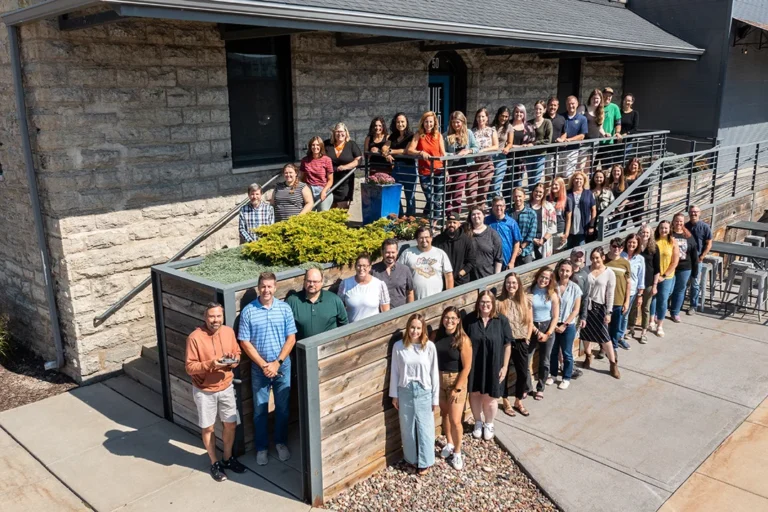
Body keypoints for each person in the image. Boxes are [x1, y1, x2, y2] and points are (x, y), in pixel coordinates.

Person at [238, 272, 297, 466]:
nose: (266, 290)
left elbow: (291, 338)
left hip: (282, 366)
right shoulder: (248, 311)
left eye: (270, 286)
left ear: (275, 287)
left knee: (282, 408)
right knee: (259, 410)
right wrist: (264, 364)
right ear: (258, 287)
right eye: (263, 286)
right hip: (259, 369)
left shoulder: (285, 309)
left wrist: (277, 363)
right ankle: (261, 448)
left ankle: (280, 442)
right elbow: (244, 342)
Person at [185, 302, 245, 481]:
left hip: (226, 386)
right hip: (204, 391)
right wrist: (211, 364)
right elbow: (189, 367)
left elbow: (237, 353)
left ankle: (227, 458)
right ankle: (214, 462)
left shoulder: (228, 332)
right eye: (212, 316)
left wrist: (234, 361)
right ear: (205, 318)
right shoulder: (194, 338)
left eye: (219, 316)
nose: (215, 320)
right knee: (208, 427)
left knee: (231, 424)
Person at [390, 314, 439, 475]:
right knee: (407, 427)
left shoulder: (429, 347)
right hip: (405, 390)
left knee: (425, 428)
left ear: (423, 329)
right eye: (412, 327)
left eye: (418, 328)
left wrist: (435, 397)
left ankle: (425, 461)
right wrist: (394, 395)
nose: (415, 331)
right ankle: (411, 459)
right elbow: (395, 372)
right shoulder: (399, 346)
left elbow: (434, 373)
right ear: (407, 328)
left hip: (424, 391)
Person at [464, 290, 513, 441]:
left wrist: (505, 367)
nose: (485, 305)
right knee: (475, 394)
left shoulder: (501, 321)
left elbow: (507, 345)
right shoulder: (469, 320)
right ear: (478, 303)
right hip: (474, 365)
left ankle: (489, 423)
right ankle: (478, 422)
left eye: (488, 302)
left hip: (494, 365)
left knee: (491, 397)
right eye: (482, 302)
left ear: (493, 304)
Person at [432, 306, 473, 470]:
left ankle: (457, 452)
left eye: (452, 318)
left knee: (456, 420)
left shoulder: (463, 339)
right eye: (446, 317)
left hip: (455, 381)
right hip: (439, 379)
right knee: (445, 414)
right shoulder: (436, 335)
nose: (449, 321)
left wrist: (457, 388)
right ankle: (449, 443)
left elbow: (467, 367)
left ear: (458, 321)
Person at [581, 247, 621, 379]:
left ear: (603, 257)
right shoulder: (586, 270)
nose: (594, 260)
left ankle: (613, 363)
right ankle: (588, 355)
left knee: (605, 337)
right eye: (592, 258)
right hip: (586, 306)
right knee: (585, 334)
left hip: (600, 308)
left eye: (597, 257)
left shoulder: (609, 273)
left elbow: (610, 294)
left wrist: (608, 312)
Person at [498, 273, 533, 417]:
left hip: (521, 340)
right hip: (505, 342)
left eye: (513, 283)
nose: (511, 285)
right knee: (503, 373)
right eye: (508, 283)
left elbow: (530, 321)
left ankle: (518, 400)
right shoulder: (499, 302)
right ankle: (505, 401)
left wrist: (528, 338)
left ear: (518, 284)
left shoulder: (526, 300)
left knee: (523, 372)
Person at [286, 268, 348, 340]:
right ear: (304, 281)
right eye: (309, 281)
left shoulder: (334, 300)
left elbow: (344, 325)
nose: (312, 284)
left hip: (329, 348)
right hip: (301, 349)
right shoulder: (292, 301)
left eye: (315, 281)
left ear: (321, 282)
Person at [548, 259, 582, 390]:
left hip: (568, 325)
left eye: (567, 271)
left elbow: (576, 310)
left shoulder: (575, 288)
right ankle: (553, 374)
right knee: (553, 351)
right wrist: (554, 324)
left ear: (571, 272)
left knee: (567, 353)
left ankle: (566, 377)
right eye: (562, 270)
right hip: (554, 323)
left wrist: (565, 324)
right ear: (558, 270)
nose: (564, 273)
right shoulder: (552, 286)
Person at [527, 267, 559, 400]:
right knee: (526, 359)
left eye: (547, 278)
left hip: (547, 326)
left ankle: (541, 387)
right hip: (532, 327)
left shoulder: (552, 294)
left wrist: (548, 333)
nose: (544, 280)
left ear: (550, 280)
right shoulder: (529, 291)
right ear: (537, 276)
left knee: (545, 360)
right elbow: (527, 315)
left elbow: (555, 317)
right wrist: (536, 331)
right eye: (542, 276)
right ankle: (527, 387)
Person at [398, 226, 454, 300]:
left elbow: (448, 275)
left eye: (426, 237)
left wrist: (449, 297)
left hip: (437, 300)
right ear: (417, 239)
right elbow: (398, 273)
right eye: (421, 238)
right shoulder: (407, 253)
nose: (424, 240)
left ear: (431, 238)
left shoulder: (440, 253)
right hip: (413, 301)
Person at [407, 111, 445, 218]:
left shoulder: (438, 135)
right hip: (424, 171)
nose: (429, 124)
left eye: (431, 122)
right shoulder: (418, 135)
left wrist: (446, 169)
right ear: (423, 123)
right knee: (430, 197)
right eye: (426, 122)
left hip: (439, 169)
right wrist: (420, 152)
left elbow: (442, 153)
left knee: (437, 197)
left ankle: (434, 219)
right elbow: (410, 150)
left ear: (434, 123)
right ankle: (431, 215)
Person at [443, 111, 479, 215]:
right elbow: (443, 152)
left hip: (462, 169)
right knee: (447, 193)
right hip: (449, 168)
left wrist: (468, 151)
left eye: (458, 122)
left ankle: (455, 217)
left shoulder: (468, 133)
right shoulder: (446, 135)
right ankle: (448, 216)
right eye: (453, 122)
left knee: (457, 195)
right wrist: (453, 155)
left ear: (463, 122)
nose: (456, 125)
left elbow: (476, 147)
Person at [628, 225, 659, 344]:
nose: (645, 234)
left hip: (648, 282)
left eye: (647, 232)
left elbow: (657, 269)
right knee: (633, 307)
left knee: (645, 308)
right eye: (643, 232)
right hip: (635, 282)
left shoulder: (654, 248)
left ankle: (644, 332)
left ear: (650, 234)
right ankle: (631, 327)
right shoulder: (635, 247)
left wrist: (655, 285)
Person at [337, 254, 391, 322]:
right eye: (359, 265)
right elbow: (339, 308)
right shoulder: (345, 284)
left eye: (365, 266)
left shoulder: (379, 285)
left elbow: (385, 311)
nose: (361, 268)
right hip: (352, 329)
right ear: (355, 267)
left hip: (374, 328)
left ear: (369, 267)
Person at [650, 221, 680, 338]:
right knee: (652, 298)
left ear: (670, 229)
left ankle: (660, 325)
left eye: (666, 228)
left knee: (662, 300)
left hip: (666, 276)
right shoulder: (654, 240)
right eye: (662, 228)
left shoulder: (672, 241)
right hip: (653, 275)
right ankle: (651, 321)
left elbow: (675, 261)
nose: (664, 230)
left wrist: (664, 275)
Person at [669, 213, 699, 323]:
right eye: (677, 221)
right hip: (670, 266)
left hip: (685, 267)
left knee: (680, 290)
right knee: (668, 290)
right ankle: (660, 311)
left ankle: (675, 312)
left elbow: (694, 254)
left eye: (681, 221)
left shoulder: (688, 236)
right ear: (673, 221)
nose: (679, 223)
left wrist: (695, 272)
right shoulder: (669, 234)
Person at [384, 113, 416, 216]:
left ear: (406, 123)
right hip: (396, 168)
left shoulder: (411, 135)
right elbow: (385, 147)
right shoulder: (393, 135)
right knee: (395, 193)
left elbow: (406, 150)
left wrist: (391, 151)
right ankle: (401, 216)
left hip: (409, 168)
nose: (400, 124)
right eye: (398, 122)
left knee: (409, 195)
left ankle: (411, 218)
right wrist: (386, 154)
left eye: (402, 122)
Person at [325, 122, 362, 210]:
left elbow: (358, 159)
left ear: (346, 132)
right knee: (330, 205)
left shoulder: (351, 144)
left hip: (345, 179)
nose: (339, 134)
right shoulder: (327, 144)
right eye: (337, 131)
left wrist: (345, 167)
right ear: (334, 133)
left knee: (343, 206)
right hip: (329, 179)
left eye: (342, 131)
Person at [605, 237, 632, 354]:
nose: (616, 249)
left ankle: (614, 346)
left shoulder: (625, 263)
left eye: (619, 247)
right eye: (614, 246)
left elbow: (628, 283)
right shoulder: (603, 259)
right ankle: (604, 348)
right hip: (604, 300)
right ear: (610, 246)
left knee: (615, 326)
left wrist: (626, 301)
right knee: (604, 326)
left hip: (618, 299)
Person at [684, 205, 713, 315]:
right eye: (691, 212)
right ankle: (679, 303)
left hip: (697, 259)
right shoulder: (685, 226)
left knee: (695, 283)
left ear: (699, 213)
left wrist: (702, 257)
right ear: (689, 213)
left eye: (696, 212)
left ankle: (693, 305)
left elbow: (709, 243)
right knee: (684, 283)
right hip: (686, 259)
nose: (693, 214)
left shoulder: (705, 227)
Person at [434, 213, 476, 287]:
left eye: (454, 222)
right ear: (446, 223)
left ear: (459, 224)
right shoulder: (438, 240)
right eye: (449, 222)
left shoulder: (466, 240)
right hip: (443, 282)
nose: (451, 224)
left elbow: (471, 261)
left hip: (461, 282)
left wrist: (460, 274)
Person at [469, 107, 499, 210]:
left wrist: (483, 150)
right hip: (473, 163)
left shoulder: (491, 131)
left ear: (487, 118)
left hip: (486, 163)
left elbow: (496, 146)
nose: (480, 119)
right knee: (471, 191)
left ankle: (480, 214)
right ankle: (471, 213)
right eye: (478, 116)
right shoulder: (472, 132)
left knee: (483, 191)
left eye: (483, 116)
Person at [371, 238, 414, 308]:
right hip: (380, 314)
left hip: (400, 313)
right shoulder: (373, 271)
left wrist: (410, 310)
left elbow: (410, 293)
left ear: (397, 252)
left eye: (393, 252)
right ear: (382, 252)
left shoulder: (405, 270)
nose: (390, 255)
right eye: (387, 252)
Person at [620, 233, 646, 348]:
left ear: (638, 244)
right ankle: (612, 337)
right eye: (630, 242)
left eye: (634, 243)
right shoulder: (620, 255)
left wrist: (640, 294)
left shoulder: (640, 259)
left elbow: (641, 277)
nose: (631, 244)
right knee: (616, 314)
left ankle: (620, 337)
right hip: (618, 290)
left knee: (625, 315)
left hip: (631, 292)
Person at [568, 247, 590, 381]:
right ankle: (567, 366)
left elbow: (586, 297)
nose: (579, 258)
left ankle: (569, 365)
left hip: (576, 315)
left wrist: (583, 316)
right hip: (563, 313)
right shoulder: (565, 272)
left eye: (581, 256)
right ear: (571, 256)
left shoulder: (584, 275)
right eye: (576, 256)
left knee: (571, 342)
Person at [485, 196, 522, 270]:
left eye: (501, 206)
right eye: (496, 206)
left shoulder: (511, 223)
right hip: (489, 262)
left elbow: (517, 243)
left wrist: (512, 261)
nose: (499, 208)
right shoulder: (486, 221)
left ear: (504, 207)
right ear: (492, 207)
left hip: (506, 262)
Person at [504, 104, 536, 189]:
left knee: (517, 185)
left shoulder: (528, 126)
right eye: (516, 112)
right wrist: (520, 146)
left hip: (521, 161)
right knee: (506, 185)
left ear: (524, 113)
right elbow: (504, 142)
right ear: (513, 113)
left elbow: (533, 141)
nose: (518, 114)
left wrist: (529, 145)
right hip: (507, 159)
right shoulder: (507, 125)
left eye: (521, 112)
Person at [466, 206, 503, 280]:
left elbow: (498, 258)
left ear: (484, 215)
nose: (476, 216)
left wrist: (496, 278)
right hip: (469, 278)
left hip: (487, 276)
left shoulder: (492, 234)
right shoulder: (465, 233)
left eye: (478, 213)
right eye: (473, 214)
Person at [556, 96, 588, 177]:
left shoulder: (582, 119)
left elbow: (582, 136)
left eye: (573, 104)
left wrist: (568, 140)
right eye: (568, 104)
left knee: (568, 176)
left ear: (577, 104)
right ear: (566, 105)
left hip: (572, 151)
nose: (571, 106)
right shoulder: (560, 117)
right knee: (556, 176)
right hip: (559, 151)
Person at [300, 136, 334, 211]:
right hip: (309, 190)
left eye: (318, 145)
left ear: (321, 146)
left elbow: (330, 180)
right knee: (309, 214)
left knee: (322, 213)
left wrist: (324, 191)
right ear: (310, 146)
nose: (315, 147)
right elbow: (301, 178)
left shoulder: (327, 160)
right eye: (313, 145)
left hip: (322, 189)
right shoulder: (305, 160)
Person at [563, 171, 596, 248]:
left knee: (581, 249)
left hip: (583, 226)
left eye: (581, 179)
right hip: (569, 226)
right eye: (576, 179)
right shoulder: (567, 193)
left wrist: (591, 225)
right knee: (568, 249)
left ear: (584, 181)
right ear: (573, 180)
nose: (578, 181)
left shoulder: (588, 193)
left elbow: (593, 210)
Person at [527, 100, 553, 189]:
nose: (538, 111)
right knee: (530, 179)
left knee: (536, 179)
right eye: (536, 109)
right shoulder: (529, 123)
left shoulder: (547, 122)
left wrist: (534, 144)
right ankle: (531, 198)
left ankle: (535, 198)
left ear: (544, 110)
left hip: (540, 154)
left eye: (540, 109)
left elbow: (548, 140)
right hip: (529, 155)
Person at [509, 187, 538, 266]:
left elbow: (531, 234)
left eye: (520, 196)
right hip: (510, 252)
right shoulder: (508, 214)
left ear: (524, 197)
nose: (517, 199)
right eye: (515, 196)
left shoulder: (531, 213)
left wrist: (521, 248)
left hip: (526, 251)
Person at [528, 183, 558, 259]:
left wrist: (543, 240)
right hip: (529, 241)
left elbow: (553, 226)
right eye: (536, 191)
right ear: (532, 192)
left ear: (544, 194)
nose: (538, 194)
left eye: (540, 192)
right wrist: (533, 239)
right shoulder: (526, 206)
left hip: (544, 241)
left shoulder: (549, 206)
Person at [491, 106, 512, 198]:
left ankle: (498, 207)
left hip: (501, 158)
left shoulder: (509, 127)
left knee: (496, 185)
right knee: (489, 185)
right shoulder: (492, 126)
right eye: (502, 116)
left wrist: (507, 147)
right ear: (498, 115)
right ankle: (490, 208)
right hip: (490, 157)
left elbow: (510, 142)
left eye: (506, 116)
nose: (504, 118)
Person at [599, 87, 623, 167]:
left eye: (610, 96)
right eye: (606, 95)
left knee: (606, 166)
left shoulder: (614, 107)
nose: (608, 97)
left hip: (608, 142)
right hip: (596, 140)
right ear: (602, 95)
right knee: (591, 166)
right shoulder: (597, 106)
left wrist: (617, 132)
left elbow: (618, 122)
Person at [548, 177, 568, 250]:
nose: (553, 186)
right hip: (548, 231)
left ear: (561, 186)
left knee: (557, 256)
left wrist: (566, 234)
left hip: (559, 231)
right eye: (552, 184)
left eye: (556, 185)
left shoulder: (567, 200)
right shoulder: (547, 198)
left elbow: (568, 218)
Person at [621, 93, 640, 160]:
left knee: (622, 159)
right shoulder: (619, 112)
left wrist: (626, 134)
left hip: (627, 141)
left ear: (632, 102)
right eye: (625, 100)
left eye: (629, 100)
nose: (627, 102)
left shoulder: (635, 113)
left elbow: (635, 128)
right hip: (617, 140)